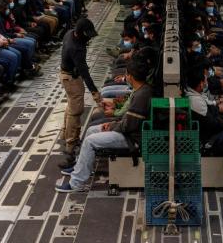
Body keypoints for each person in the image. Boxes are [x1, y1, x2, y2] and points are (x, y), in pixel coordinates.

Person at [56, 59, 152, 192]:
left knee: (90, 141)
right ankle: (81, 167)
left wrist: (112, 126)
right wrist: (112, 123)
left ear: (130, 76)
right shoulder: (141, 89)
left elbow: (128, 126)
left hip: (132, 138)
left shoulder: (142, 96)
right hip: (128, 131)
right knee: (91, 130)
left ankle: (76, 183)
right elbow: (128, 120)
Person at [60, 18, 102, 158]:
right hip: (71, 78)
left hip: (67, 75)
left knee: (71, 105)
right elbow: (84, 72)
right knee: (76, 110)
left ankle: (64, 133)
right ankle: (70, 145)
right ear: (81, 33)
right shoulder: (76, 48)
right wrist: (95, 92)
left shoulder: (70, 33)